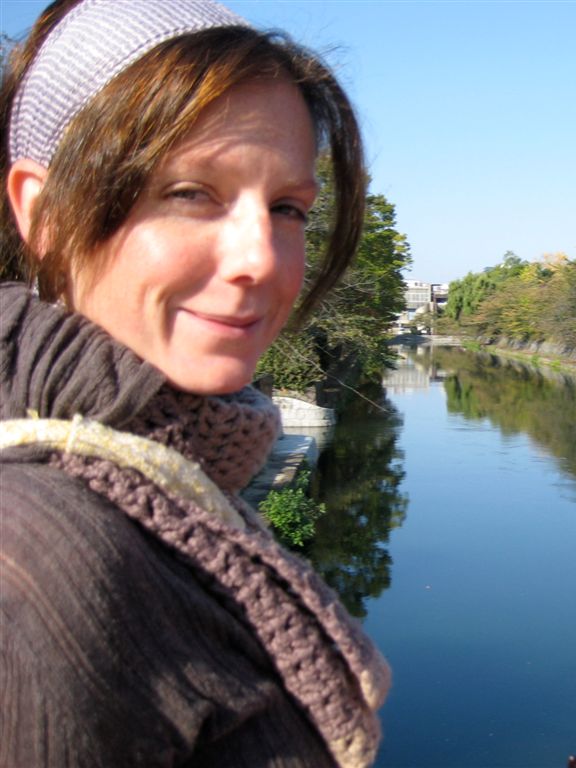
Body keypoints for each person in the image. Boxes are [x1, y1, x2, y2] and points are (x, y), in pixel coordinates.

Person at [0, 1, 389, 765]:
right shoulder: (37, 561)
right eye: (189, 193)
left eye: (286, 208)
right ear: (41, 213)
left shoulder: (173, 487)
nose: (262, 259)